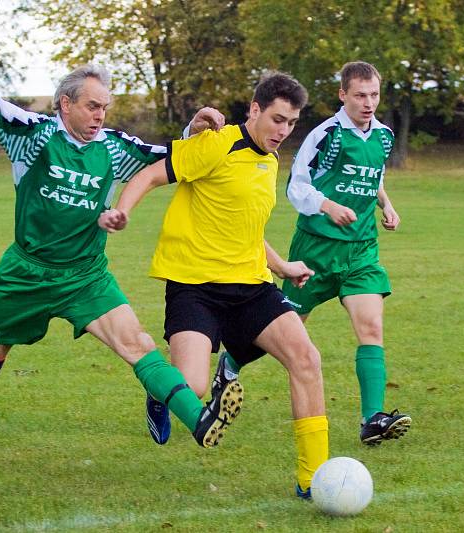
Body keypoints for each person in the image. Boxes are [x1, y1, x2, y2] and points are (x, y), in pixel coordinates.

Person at [0, 35, 241, 481]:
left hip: (86, 276)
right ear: (66, 104)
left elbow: (164, 159)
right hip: (27, 274)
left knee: (137, 344)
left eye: (105, 108)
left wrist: (192, 132)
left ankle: (198, 419)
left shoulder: (113, 146)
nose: (101, 115)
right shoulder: (32, 137)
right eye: (93, 106)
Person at [99, 72, 329, 499]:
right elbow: (150, 175)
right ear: (255, 109)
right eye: (277, 119)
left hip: (251, 286)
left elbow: (244, 225)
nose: (283, 131)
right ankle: (160, 392)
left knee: (306, 359)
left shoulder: (269, 160)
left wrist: (280, 265)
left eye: (292, 123)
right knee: (194, 388)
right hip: (195, 286)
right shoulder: (217, 144)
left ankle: (312, 479)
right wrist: (122, 211)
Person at [220, 61, 411, 447]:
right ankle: (229, 364)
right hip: (315, 252)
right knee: (284, 330)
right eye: (360, 95)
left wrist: (385, 205)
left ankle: (372, 418)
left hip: (361, 251)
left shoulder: (385, 136)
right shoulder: (327, 135)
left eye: (374, 94)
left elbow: (373, 177)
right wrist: (328, 207)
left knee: (371, 327)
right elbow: (296, 186)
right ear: (343, 95)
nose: (368, 102)